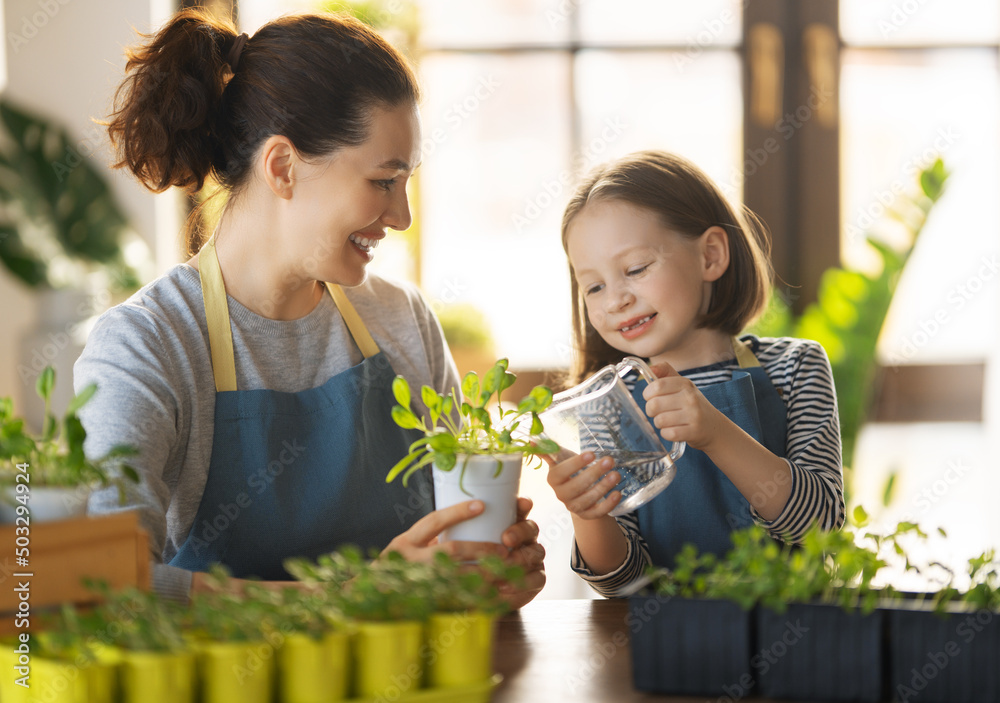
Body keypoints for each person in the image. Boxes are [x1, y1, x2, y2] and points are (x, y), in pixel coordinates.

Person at [75, 8, 544, 605]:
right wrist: (350, 598)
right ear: (283, 167)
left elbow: (452, 545)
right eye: (382, 181)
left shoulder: (402, 319)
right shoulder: (147, 344)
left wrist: (488, 568)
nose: (402, 217)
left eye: (406, 183)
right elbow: (106, 581)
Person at [545, 150, 844, 597]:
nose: (615, 300)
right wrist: (588, 512)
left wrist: (714, 433)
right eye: (594, 286)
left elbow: (817, 525)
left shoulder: (794, 368)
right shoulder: (611, 407)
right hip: (669, 647)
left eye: (636, 269)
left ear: (710, 255)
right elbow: (623, 583)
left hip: (794, 636)